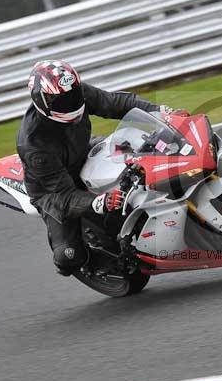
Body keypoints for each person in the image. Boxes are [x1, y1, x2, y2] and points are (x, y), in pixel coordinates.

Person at [16, 59, 173, 276]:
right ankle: (93, 261)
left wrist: (159, 112)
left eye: (73, 94)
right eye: (62, 100)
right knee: (68, 257)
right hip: (53, 191)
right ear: (42, 101)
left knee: (144, 154)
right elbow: (63, 194)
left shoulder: (76, 93)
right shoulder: (34, 145)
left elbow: (115, 102)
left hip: (83, 151)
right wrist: (98, 201)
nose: (70, 102)